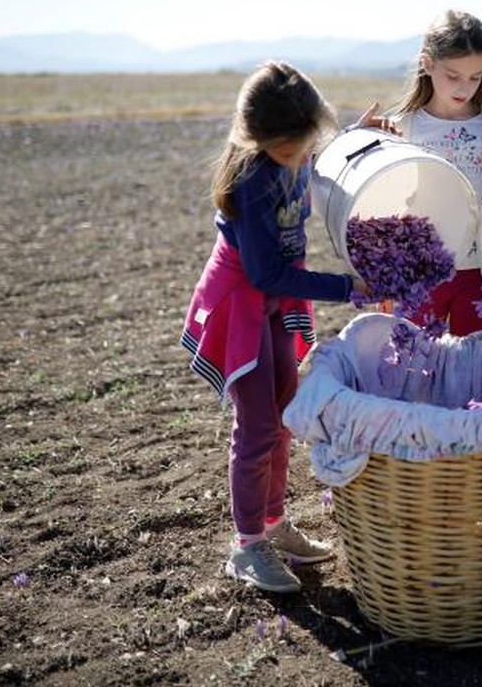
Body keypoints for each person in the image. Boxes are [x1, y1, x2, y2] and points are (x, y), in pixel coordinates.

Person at [180, 61, 377, 593]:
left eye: (303, 146)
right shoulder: (251, 179)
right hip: (243, 302)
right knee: (258, 426)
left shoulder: (297, 149)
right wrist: (348, 288)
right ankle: (246, 547)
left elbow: (325, 163)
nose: (299, 159)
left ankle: (273, 523)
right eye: (290, 151)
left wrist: (363, 139)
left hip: (275, 297)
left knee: (285, 414)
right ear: (257, 138)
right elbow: (265, 272)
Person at [386, 10, 482, 335]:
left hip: (477, 274)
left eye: (475, 77)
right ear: (428, 64)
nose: (465, 87)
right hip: (419, 272)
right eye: (453, 75)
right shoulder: (402, 128)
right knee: (412, 363)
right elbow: (382, 204)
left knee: (469, 365)